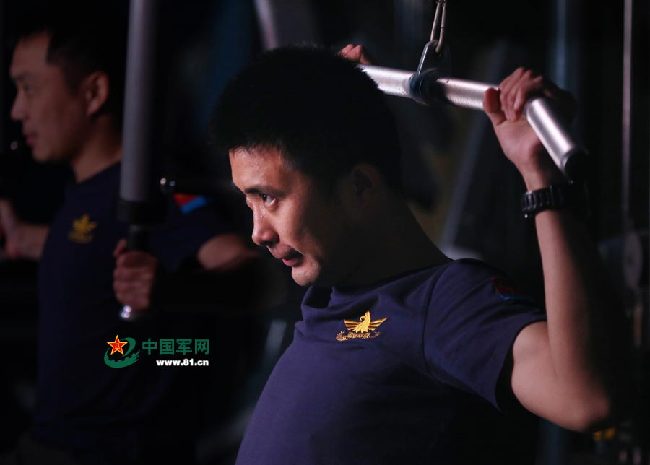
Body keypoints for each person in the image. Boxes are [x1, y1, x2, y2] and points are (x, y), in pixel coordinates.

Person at [211, 46, 626, 464]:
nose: (258, 232)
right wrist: (328, 85)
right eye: (250, 202)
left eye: (269, 198)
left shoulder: (442, 303)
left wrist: (541, 177)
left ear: (359, 187)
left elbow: (586, 400)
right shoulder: (327, 293)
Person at [0, 2, 265, 464]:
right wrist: (24, 238)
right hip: (50, 444)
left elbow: (256, 276)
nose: (17, 110)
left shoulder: (152, 192)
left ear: (93, 92)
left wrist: (172, 289)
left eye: (29, 88)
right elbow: (93, 249)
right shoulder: (89, 193)